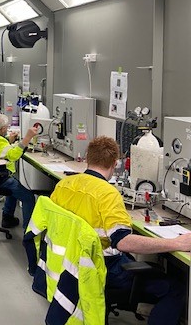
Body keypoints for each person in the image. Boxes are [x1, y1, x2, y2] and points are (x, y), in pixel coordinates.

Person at [51, 136, 191, 325]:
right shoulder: (107, 193)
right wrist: (176, 243)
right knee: (176, 289)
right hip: (103, 267)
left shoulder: (64, 185)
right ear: (115, 163)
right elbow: (123, 242)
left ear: (87, 158)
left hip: (70, 262)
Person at [0, 113, 38, 229]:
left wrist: (8, 140)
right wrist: (27, 138)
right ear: (3, 129)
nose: (8, 129)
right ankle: (28, 233)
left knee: (14, 183)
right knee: (28, 197)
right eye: (7, 128)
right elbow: (13, 156)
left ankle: (8, 218)